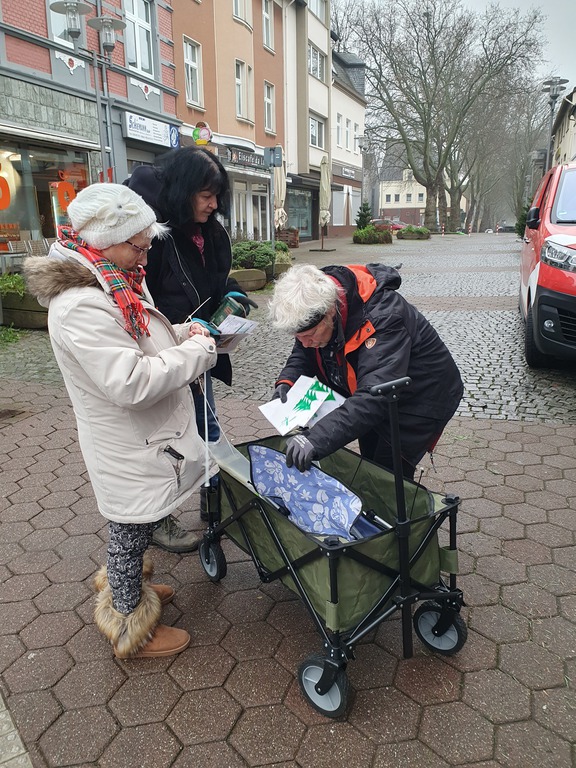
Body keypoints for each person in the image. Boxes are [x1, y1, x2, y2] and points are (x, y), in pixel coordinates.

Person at [24, 183, 219, 659]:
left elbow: (141, 339)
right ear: (104, 239)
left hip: (143, 436)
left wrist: (179, 333)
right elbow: (130, 381)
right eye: (139, 244)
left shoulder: (112, 277)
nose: (146, 254)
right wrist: (198, 350)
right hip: (127, 439)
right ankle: (131, 622)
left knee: (138, 521)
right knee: (130, 527)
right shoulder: (81, 303)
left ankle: (128, 593)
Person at [125, 147, 256, 552]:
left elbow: (217, 282)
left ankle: (213, 498)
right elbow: (140, 298)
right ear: (183, 191)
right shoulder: (154, 237)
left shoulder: (211, 232)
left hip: (198, 349)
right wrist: (174, 335)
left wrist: (231, 294)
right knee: (163, 438)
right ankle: (158, 518)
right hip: (161, 351)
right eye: (205, 194)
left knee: (207, 426)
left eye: (217, 194)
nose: (214, 203)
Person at [269, 263, 464, 479]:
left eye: (311, 334)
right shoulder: (315, 307)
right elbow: (304, 350)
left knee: (386, 474)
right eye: (298, 337)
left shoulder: (384, 317)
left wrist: (316, 439)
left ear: (331, 311)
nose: (304, 343)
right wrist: (287, 381)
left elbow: (373, 397)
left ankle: (400, 509)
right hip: (374, 391)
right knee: (370, 459)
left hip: (420, 399)